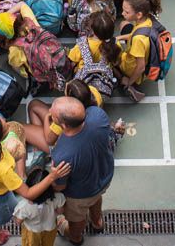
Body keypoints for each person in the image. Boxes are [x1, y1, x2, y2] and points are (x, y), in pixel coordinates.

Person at [0, 114, 69, 245]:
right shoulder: (2, 167)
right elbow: (28, 193)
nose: (7, 122)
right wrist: (52, 176)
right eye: (5, 127)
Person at [48, 96, 113, 245]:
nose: (50, 111)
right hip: (104, 177)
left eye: (53, 113)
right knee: (96, 199)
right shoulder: (98, 115)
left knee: (76, 218)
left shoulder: (62, 155)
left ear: (63, 126)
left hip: (80, 195)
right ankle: (97, 223)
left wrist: (51, 178)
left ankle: (75, 237)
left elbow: (60, 186)